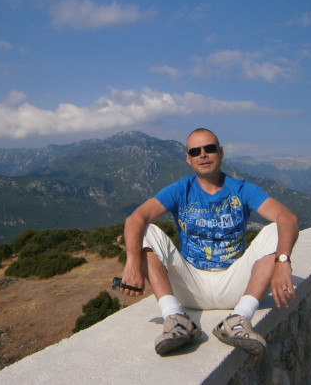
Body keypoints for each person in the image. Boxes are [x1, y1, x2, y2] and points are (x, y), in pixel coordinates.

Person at [121, 128, 299, 356]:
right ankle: (175, 319)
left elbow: (288, 218)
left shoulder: (241, 189)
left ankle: (240, 318)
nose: (203, 154)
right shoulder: (181, 189)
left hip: (235, 283)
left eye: (209, 148)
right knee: (147, 230)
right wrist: (132, 263)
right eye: (195, 151)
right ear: (188, 159)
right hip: (190, 286)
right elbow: (135, 218)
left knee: (275, 229)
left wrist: (282, 262)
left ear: (221, 152)